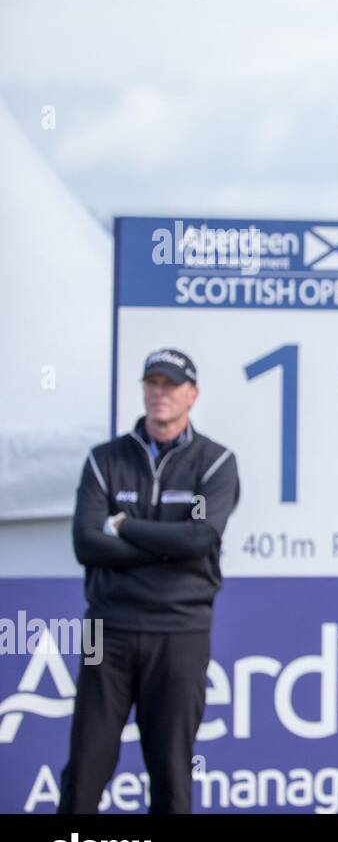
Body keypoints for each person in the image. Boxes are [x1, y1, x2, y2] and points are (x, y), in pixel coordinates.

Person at [59, 348, 240, 813]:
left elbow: (200, 538)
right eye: (152, 383)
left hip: (180, 632)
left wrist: (122, 526)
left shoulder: (215, 463)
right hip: (109, 631)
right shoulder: (105, 460)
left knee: (171, 774)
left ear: (191, 395)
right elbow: (85, 544)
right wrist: (166, 546)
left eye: (171, 385)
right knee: (84, 770)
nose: (160, 393)